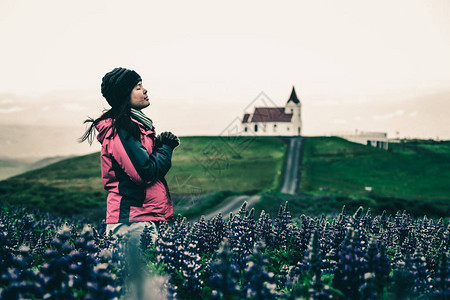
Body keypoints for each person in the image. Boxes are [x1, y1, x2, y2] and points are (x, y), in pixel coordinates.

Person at [80, 67, 179, 245]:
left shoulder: (136, 126)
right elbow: (144, 173)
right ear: (125, 94)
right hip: (131, 221)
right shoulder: (120, 129)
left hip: (142, 217)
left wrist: (160, 145)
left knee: (148, 272)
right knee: (137, 272)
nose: (145, 90)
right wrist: (165, 148)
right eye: (138, 87)